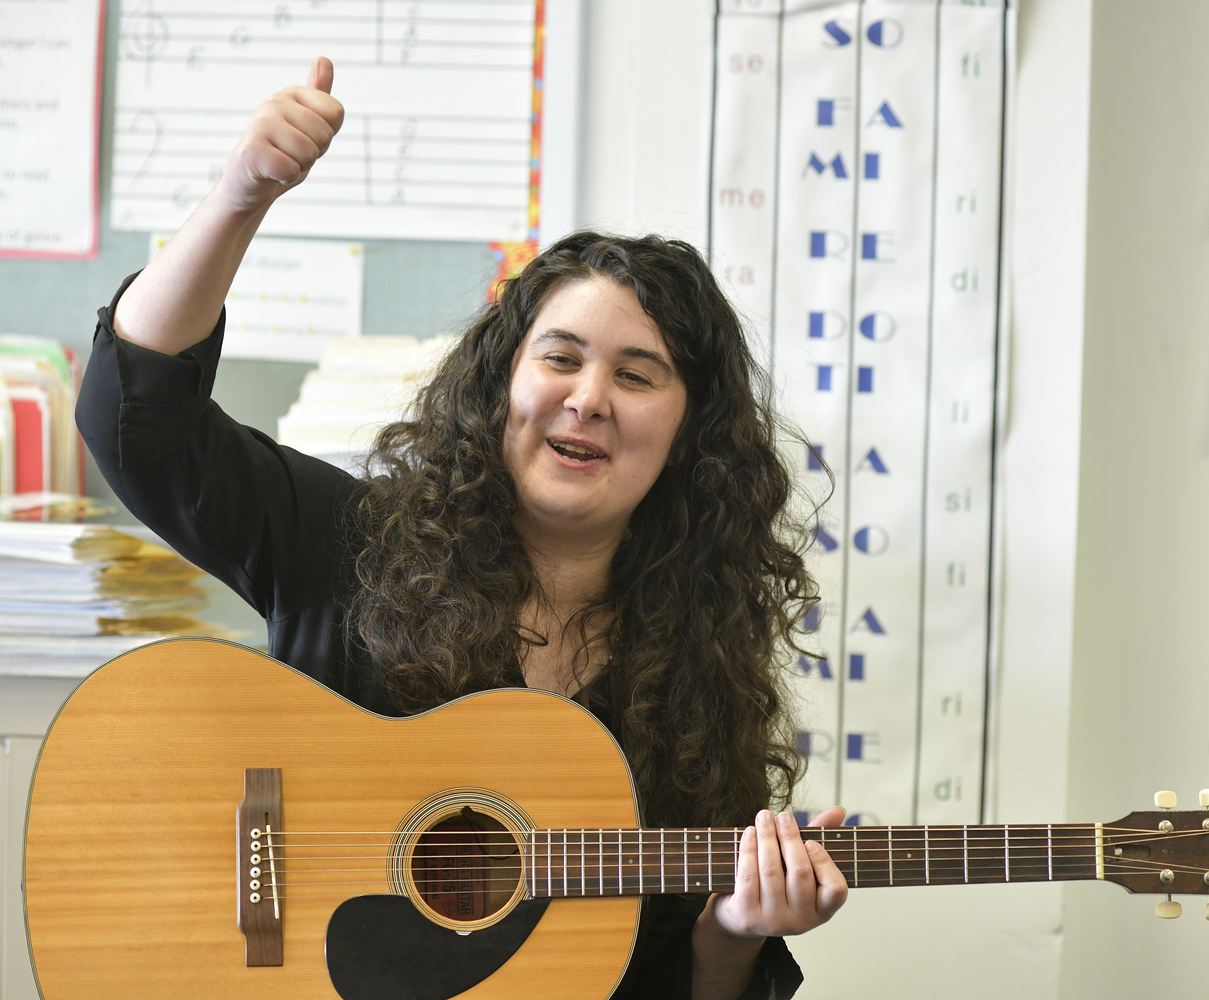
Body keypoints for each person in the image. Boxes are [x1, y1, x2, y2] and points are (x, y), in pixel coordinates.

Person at [77, 57, 848, 1000]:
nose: (589, 399)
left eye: (638, 375)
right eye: (559, 357)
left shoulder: (700, 674)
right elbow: (143, 427)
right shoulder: (348, 542)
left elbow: (657, 982)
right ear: (501, 388)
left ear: (691, 439)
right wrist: (242, 196)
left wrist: (734, 935)